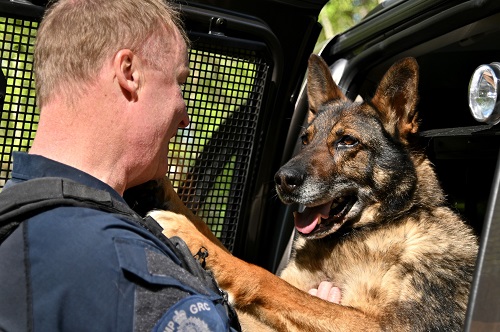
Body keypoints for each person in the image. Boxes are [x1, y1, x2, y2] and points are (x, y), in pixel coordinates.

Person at [0, 0, 240, 331]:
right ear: (129, 73)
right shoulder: (139, 279)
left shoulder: (15, 223)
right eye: (178, 82)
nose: (185, 116)